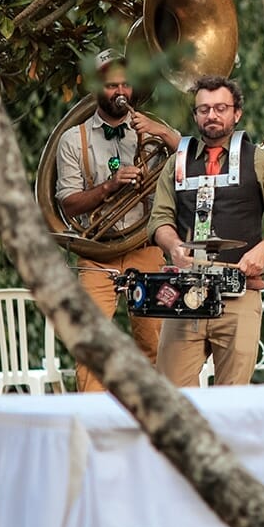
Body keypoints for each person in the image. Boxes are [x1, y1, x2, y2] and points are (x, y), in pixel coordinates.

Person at [147, 76, 264, 387]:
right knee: (172, 394)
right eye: (203, 109)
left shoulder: (260, 160)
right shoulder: (175, 163)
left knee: (233, 398)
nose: (212, 115)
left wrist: (262, 251)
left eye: (220, 108)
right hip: (186, 290)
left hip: (239, 291)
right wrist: (174, 246)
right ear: (195, 116)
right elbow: (159, 220)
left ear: (237, 113)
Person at [52, 49, 182, 392]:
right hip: (97, 253)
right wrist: (109, 186)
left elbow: (195, 163)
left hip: (145, 248)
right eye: (112, 86)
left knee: (155, 342)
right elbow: (68, 203)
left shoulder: (152, 131)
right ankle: (93, 423)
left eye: (125, 84)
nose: (121, 92)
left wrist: (164, 134)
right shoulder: (72, 139)